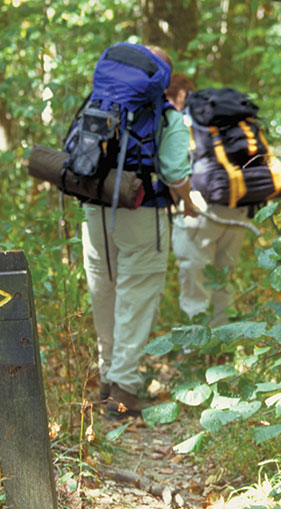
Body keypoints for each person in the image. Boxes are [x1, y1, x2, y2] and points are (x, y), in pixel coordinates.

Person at [83, 46, 197, 417]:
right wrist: (188, 203)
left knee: (105, 292)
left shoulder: (101, 105)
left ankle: (107, 379)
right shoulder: (168, 119)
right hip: (142, 212)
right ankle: (123, 392)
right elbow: (176, 173)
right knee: (136, 297)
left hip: (96, 209)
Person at [169, 77, 250, 328]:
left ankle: (195, 356)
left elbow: (174, 169)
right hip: (237, 202)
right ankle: (222, 353)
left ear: (178, 95)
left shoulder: (182, 121)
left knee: (195, 289)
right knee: (222, 282)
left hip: (198, 207)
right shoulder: (224, 120)